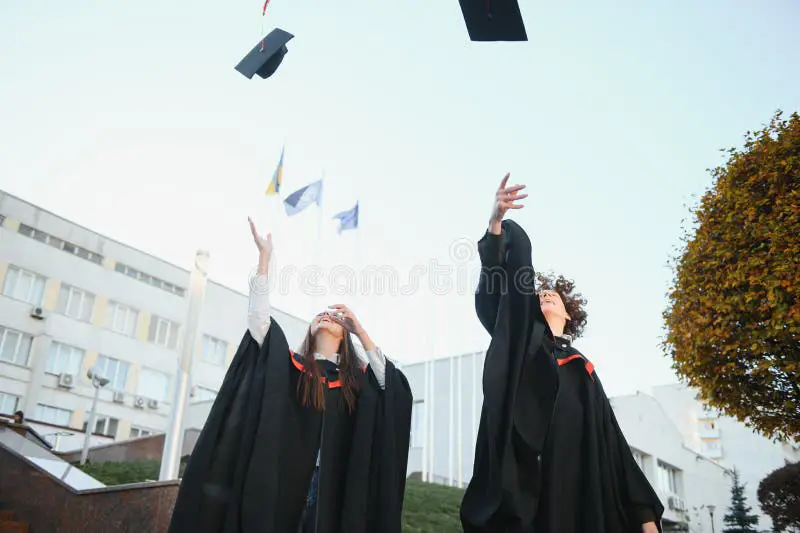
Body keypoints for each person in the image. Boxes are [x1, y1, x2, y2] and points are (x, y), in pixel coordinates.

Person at [167, 219, 413, 533]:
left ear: (345, 334)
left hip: (337, 492)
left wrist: (361, 331)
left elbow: (391, 386)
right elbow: (260, 326)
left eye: (333, 316)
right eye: (320, 314)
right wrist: (264, 259)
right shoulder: (292, 368)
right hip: (286, 485)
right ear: (310, 329)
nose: (326, 315)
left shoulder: (357, 381)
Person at [460, 174, 664, 533]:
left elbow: (612, 440)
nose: (546, 295)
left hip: (582, 478)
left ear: (570, 314)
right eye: (540, 295)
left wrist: (645, 517)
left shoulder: (582, 366)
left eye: (556, 296)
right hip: (534, 475)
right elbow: (497, 291)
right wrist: (496, 225)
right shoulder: (523, 345)